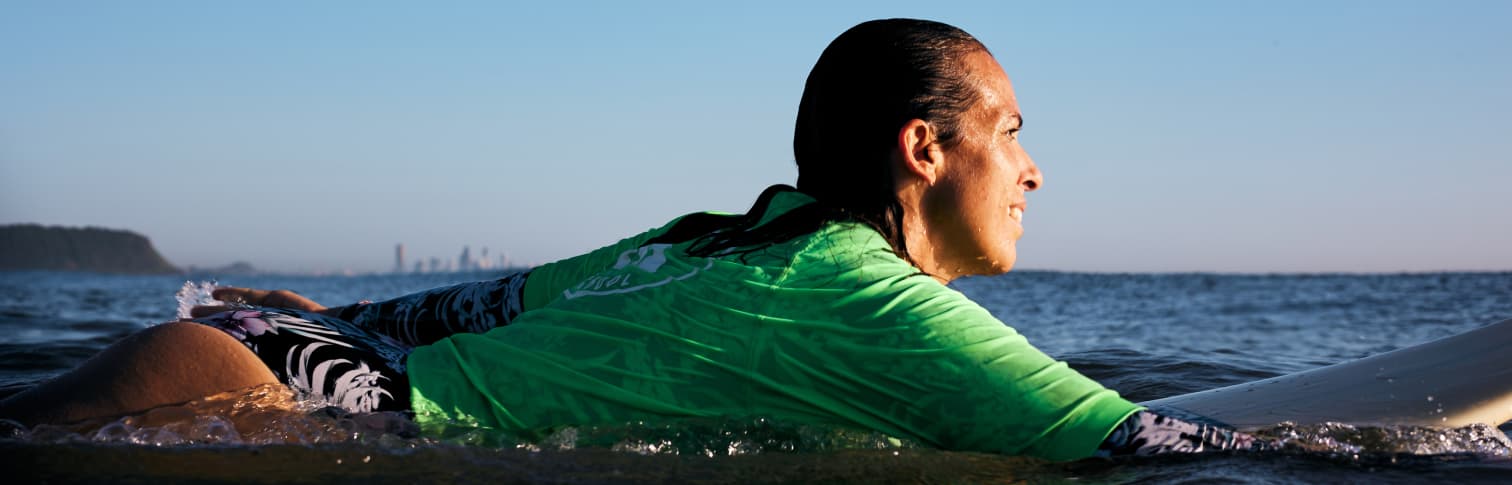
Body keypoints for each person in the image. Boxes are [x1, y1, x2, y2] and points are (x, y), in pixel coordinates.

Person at [0, 19, 1266, 461]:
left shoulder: (723, 234)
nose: (1033, 168)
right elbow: (1143, 446)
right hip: (266, 405)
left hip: (253, 360)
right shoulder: (868, 295)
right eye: (1012, 131)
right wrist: (1345, 451)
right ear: (925, 148)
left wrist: (318, 323)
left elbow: (482, 306)